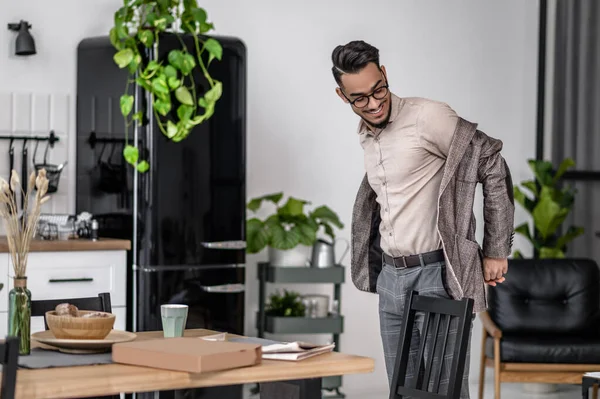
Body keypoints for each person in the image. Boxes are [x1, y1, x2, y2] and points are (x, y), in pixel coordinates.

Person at [331, 40, 515, 398]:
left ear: (384, 75)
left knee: (445, 393)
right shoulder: (368, 137)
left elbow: (491, 162)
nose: (373, 103)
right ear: (343, 97)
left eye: (378, 90)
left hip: (437, 275)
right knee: (402, 391)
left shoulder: (427, 116)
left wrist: (495, 250)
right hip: (391, 280)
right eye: (360, 99)